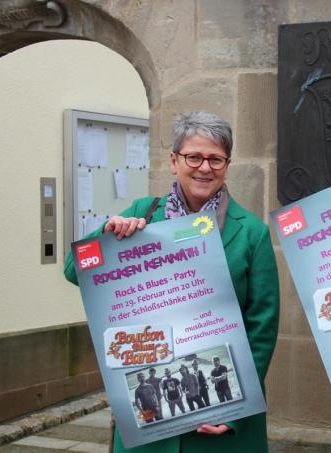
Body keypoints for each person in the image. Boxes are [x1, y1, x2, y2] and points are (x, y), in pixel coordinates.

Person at [65, 111, 280, 452]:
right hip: (149, 425)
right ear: (174, 160)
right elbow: (75, 272)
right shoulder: (142, 215)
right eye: (194, 156)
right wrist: (104, 236)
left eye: (216, 159)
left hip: (219, 421)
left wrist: (235, 411)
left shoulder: (252, 233)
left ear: (227, 164)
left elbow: (262, 328)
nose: (204, 168)